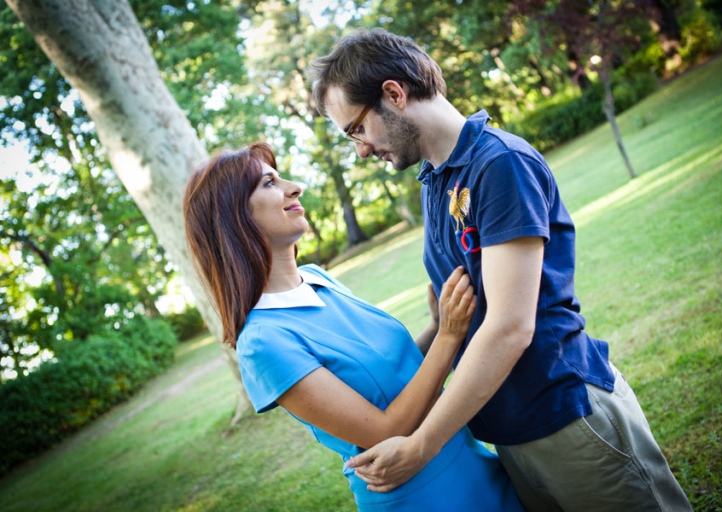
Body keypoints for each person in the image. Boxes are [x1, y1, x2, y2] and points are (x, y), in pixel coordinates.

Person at [310, 28, 693, 512]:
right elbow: (458, 321)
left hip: (568, 417)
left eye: (357, 129)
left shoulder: (499, 164)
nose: (361, 149)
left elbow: (510, 327)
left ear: (393, 94)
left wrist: (422, 444)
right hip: (509, 430)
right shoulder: (436, 181)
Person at [182, 141, 523, 511]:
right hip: (422, 495)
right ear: (233, 219)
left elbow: (391, 375)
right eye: (269, 183)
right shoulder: (263, 342)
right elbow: (386, 429)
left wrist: (437, 327)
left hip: (471, 461)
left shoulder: (318, 279)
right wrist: (448, 336)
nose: (294, 187)